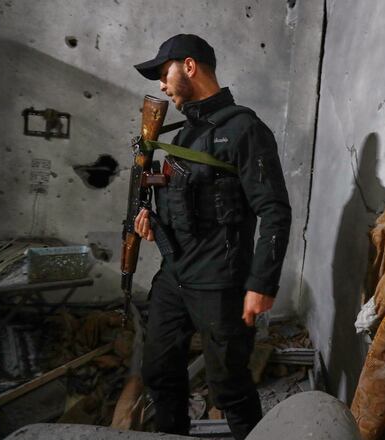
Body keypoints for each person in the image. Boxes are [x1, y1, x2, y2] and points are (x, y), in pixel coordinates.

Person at [132, 34, 292, 439]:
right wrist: (153, 219)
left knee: (229, 388)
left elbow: (274, 211)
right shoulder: (185, 136)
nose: (162, 87)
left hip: (220, 282)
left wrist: (261, 284)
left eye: (164, 74)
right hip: (175, 276)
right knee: (159, 372)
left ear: (189, 66)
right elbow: (188, 201)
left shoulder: (245, 129)